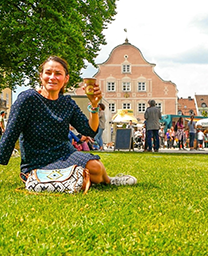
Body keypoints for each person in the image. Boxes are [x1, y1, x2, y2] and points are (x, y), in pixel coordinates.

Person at [0, 56, 137, 186]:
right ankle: (51, 180)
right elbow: (11, 133)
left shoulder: (67, 103)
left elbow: (89, 130)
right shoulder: (28, 99)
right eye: (48, 73)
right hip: (37, 162)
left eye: (58, 74)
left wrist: (94, 105)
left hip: (65, 155)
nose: (52, 77)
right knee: (84, 178)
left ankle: (109, 181)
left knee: (95, 166)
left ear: (66, 79)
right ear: (41, 76)